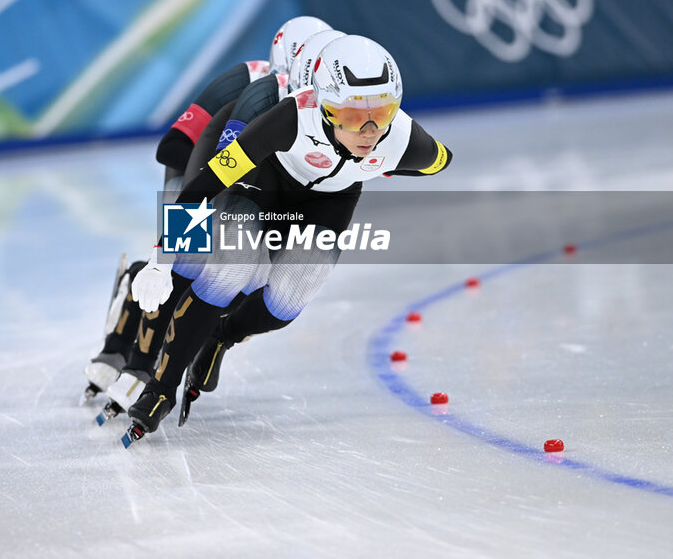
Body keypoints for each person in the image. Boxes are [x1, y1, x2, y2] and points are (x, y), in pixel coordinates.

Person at [123, 35, 452, 443]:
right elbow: (206, 184)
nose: (369, 131)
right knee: (231, 268)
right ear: (326, 109)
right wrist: (162, 256)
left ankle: (220, 336)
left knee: (292, 294)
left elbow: (441, 160)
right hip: (263, 185)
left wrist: (382, 167)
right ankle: (160, 389)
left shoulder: (402, 138)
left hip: (328, 202)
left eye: (382, 112)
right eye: (351, 116)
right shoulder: (290, 117)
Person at [82, 16, 333, 417]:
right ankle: (129, 356)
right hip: (200, 177)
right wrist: (197, 203)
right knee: (187, 264)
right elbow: (173, 147)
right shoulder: (246, 82)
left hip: (250, 187)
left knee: (250, 278)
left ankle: (158, 341)